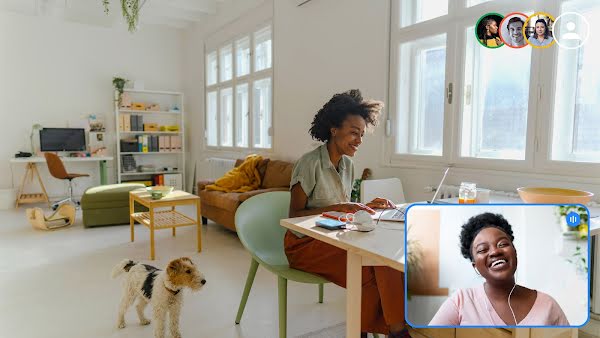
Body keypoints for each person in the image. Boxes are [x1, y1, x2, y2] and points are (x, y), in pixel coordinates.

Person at [285, 89, 409, 337]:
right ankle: (389, 331)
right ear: (333, 130)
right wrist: (339, 208)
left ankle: (388, 330)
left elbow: (343, 210)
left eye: (362, 134)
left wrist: (368, 206)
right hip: (304, 245)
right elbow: (295, 215)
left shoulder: (348, 165)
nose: (359, 140)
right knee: (368, 271)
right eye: (354, 132)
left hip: (334, 237)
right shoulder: (309, 163)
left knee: (383, 260)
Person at [429, 213, 569, 326]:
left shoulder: (548, 305)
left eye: (502, 244)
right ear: (475, 266)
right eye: (483, 249)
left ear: (514, 251)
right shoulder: (461, 302)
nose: (495, 252)